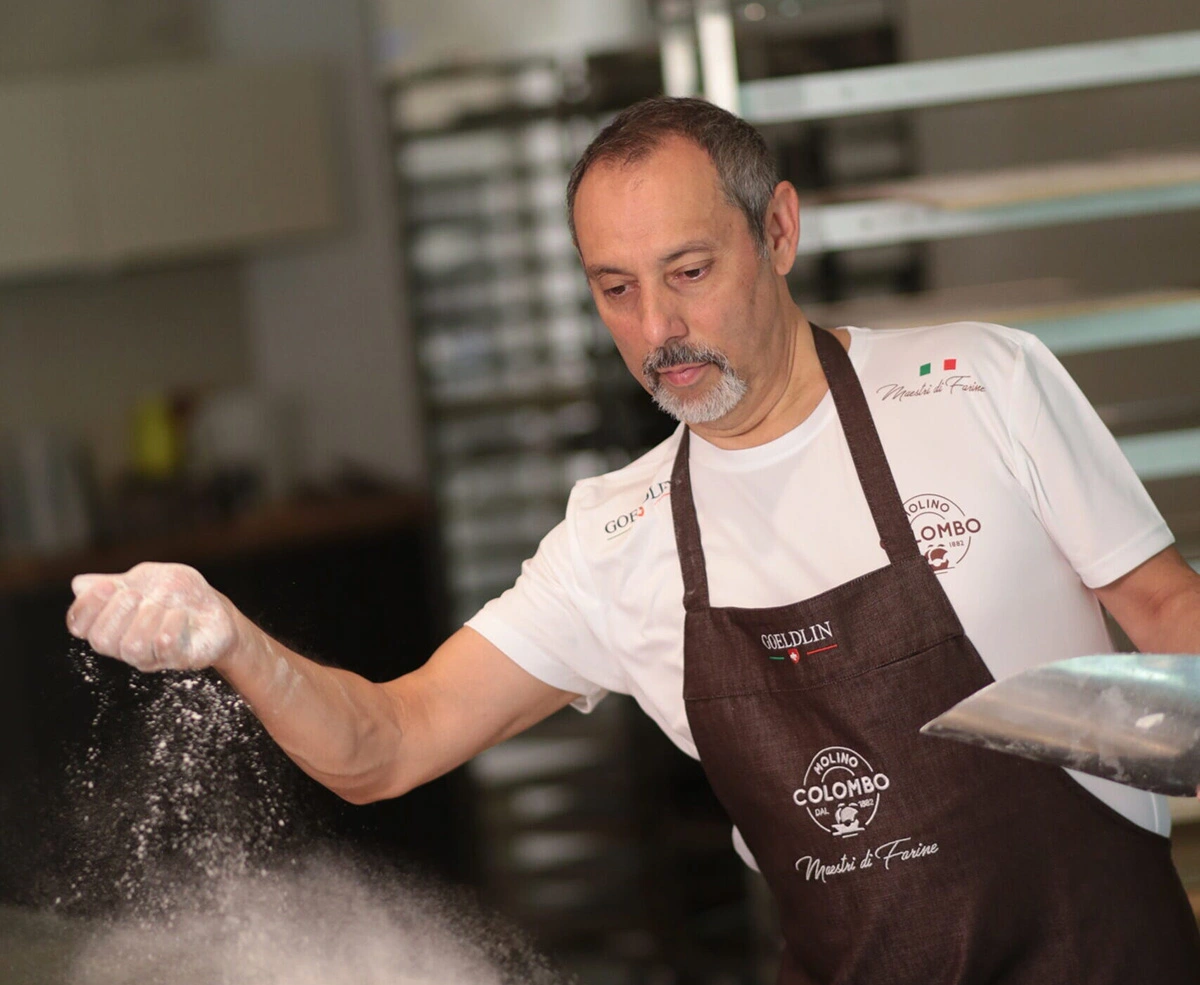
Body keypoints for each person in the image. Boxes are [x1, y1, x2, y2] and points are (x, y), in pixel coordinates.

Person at [68, 98, 1200, 982]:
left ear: (781, 229)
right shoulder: (617, 537)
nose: (658, 331)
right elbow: (387, 741)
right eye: (615, 289)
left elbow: (1169, 622)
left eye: (689, 274)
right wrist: (232, 641)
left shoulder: (980, 384)